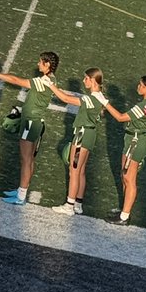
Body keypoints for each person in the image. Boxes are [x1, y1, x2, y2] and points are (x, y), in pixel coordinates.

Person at [0, 52, 60, 205]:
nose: (38, 64)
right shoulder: (50, 79)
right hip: (33, 121)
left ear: (48, 64)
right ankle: (22, 190)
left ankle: (21, 196)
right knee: (29, 159)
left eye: (40, 62)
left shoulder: (44, 80)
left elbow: (16, 80)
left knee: (25, 159)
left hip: (31, 123)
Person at [51, 68, 109, 215]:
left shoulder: (91, 98)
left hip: (82, 134)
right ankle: (78, 203)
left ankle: (69, 205)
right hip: (90, 135)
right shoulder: (98, 97)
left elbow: (65, 99)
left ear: (93, 80)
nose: (84, 81)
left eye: (86, 79)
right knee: (81, 170)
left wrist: (50, 86)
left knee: (74, 170)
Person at [103, 75, 146, 225]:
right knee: (125, 176)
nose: (138, 86)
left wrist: (105, 103)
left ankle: (125, 216)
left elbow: (121, 118)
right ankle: (124, 211)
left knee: (129, 178)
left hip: (136, 141)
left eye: (141, 85)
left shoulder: (143, 105)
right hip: (134, 139)